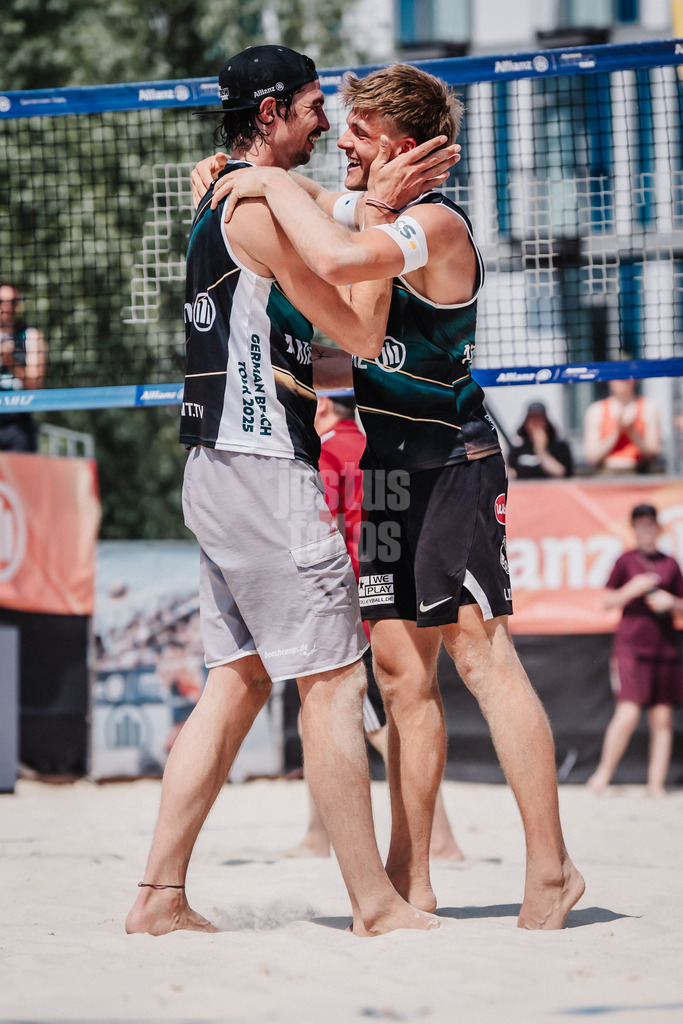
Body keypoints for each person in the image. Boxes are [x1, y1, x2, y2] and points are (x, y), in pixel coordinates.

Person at [200, 60, 584, 929]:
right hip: (386, 471)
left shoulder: (434, 223)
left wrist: (261, 180)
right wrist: (235, 176)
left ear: (403, 146)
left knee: (482, 659)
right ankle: (412, 878)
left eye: (360, 131)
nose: (341, 139)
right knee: (399, 678)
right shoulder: (361, 205)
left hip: (451, 461)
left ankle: (553, 870)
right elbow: (311, 210)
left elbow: (339, 257)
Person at [125, 45, 457, 939]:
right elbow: (359, 326)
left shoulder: (228, 194)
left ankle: (158, 896)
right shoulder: (258, 210)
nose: (326, 124)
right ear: (269, 112)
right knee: (335, 681)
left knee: (235, 682)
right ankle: (375, 905)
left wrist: (331, 194)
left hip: (214, 464)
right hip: (263, 466)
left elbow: (320, 212)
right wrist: (380, 214)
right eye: (313, 107)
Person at [286, 392, 464, 862]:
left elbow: (316, 531)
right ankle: (317, 835)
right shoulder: (372, 447)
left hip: (344, 600)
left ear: (324, 406)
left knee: (374, 727)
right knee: (328, 720)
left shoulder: (325, 452)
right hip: (384, 590)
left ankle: (442, 838)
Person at [587, 504, 683, 797]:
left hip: (664, 647)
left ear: (658, 527)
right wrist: (633, 589)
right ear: (634, 529)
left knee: (662, 717)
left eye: (650, 524)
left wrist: (670, 602)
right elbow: (607, 602)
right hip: (631, 647)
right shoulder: (626, 561)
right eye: (640, 525)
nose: (646, 530)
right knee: (628, 711)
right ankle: (601, 777)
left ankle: (656, 785)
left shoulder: (670, 564)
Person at [0, 282, 47, 452]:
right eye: (1, 301)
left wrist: (10, 361)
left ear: (18, 305)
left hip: (18, 426)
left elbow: (35, 386)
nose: (6, 307)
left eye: (12, 302)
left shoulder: (30, 337)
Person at [583, 378, 661, 473]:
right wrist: (616, 433)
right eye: (616, 377)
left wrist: (632, 432)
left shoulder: (649, 407)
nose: (621, 381)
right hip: (607, 472)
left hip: (639, 471)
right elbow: (592, 458)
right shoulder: (596, 410)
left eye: (625, 377)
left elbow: (653, 455)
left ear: (635, 380)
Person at [507, 401, 573, 479]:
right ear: (526, 423)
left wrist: (541, 450)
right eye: (532, 419)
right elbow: (511, 474)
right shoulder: (517, 449)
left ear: (546, 422)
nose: (535, 423)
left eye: (539, 419)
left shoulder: (560, 447)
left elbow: (561, 473)